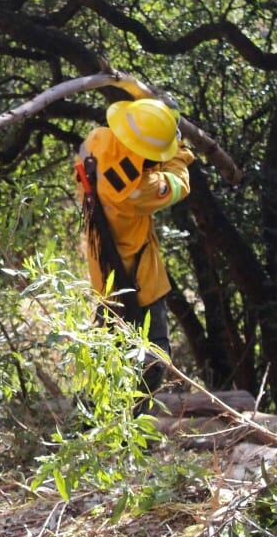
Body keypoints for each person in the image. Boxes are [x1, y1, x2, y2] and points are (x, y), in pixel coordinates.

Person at [74, 97, 194, 395]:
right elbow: (179, 182)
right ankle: (131, 422)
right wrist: (178, 146)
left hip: (105, 282)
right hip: (139, 286)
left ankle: (96, 419)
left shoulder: (96, 141)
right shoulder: (137, 191)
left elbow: (134, 147)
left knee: (108, 363)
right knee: (151, 362)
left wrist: (153, 120)